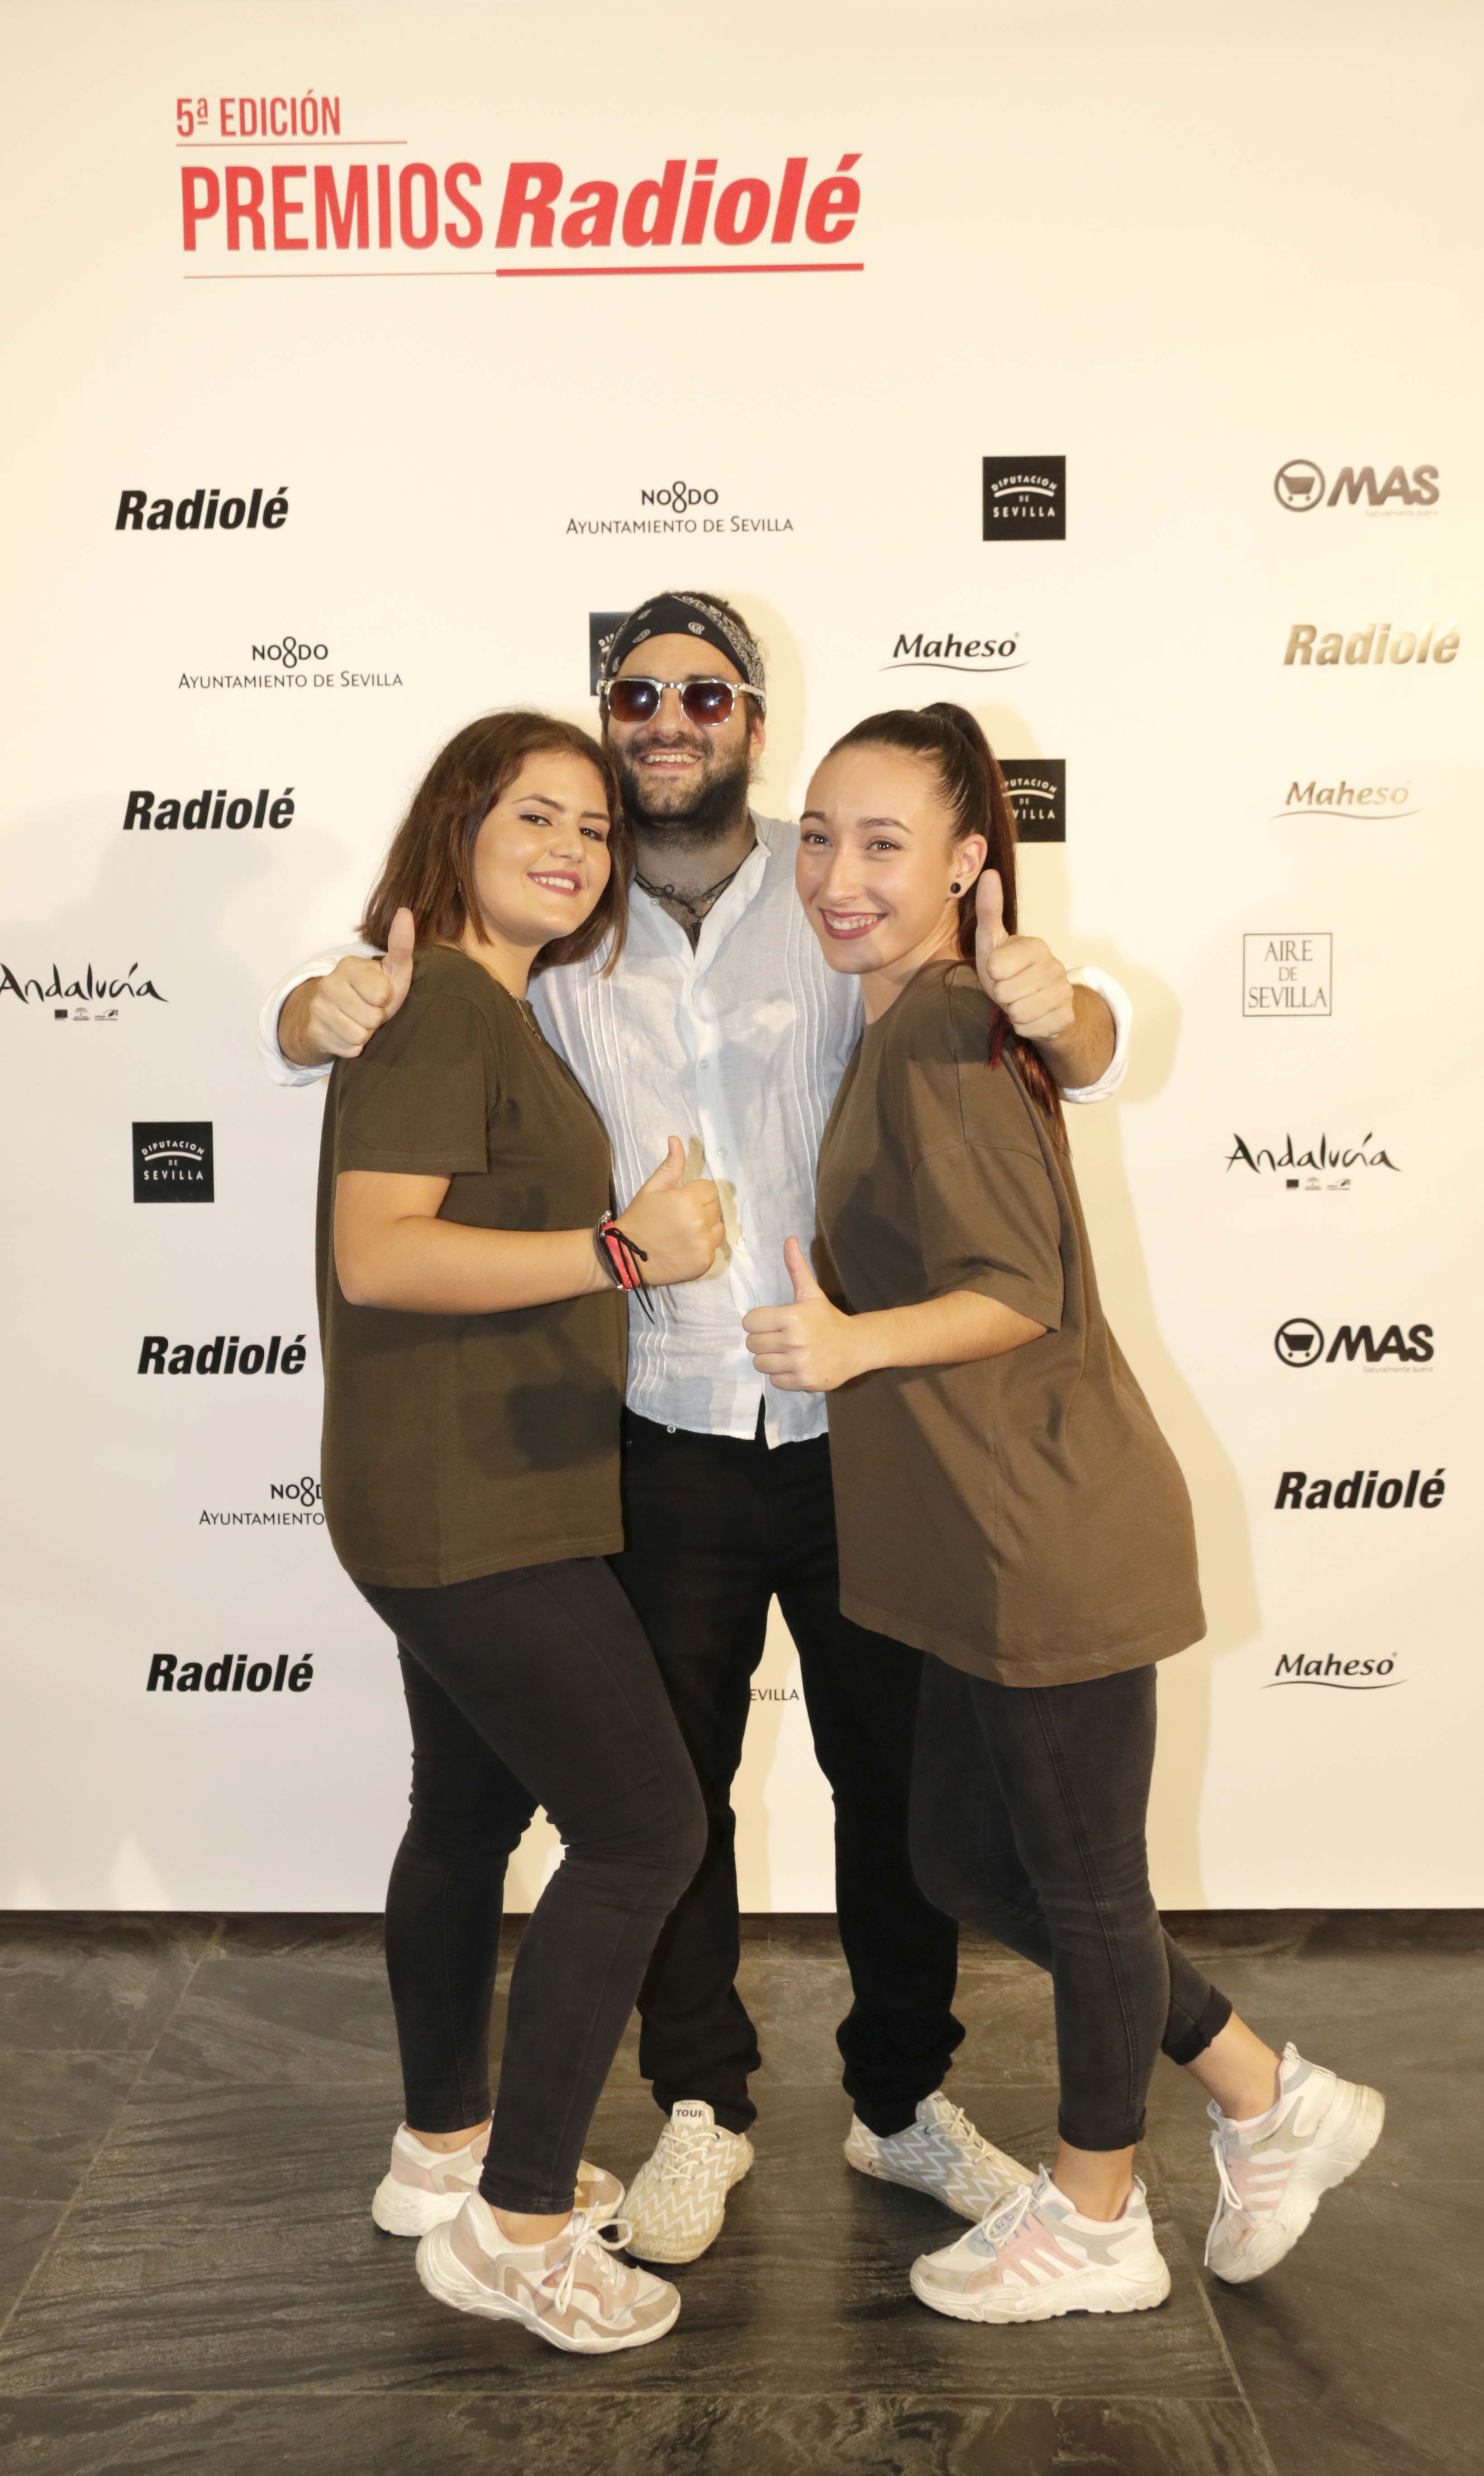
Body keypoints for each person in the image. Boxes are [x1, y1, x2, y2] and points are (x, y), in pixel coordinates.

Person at [262, 591, 1134, 2265]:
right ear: (610, 718)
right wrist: (308, 1010)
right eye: (639, 695)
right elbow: (370, 999)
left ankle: (900, 2101)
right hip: (653, 1427)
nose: (669, 721)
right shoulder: (555, 912)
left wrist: (1059, 1002)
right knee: (677, 1801)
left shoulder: (837, 879)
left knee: (894, 1789)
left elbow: (1078, 1044)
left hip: (864, 1423)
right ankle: (701, 2107)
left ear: (752, 718)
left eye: (706, 694)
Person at [744, 700, 1384, 2323]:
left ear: (969, 862)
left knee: (1090, 1893)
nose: (837, 876)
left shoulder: (945, 1028)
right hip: (973, 1538)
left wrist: (851, 1345)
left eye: (884, 844)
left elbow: (1016, 1288)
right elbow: (1084, 1047)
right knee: (966, 1856)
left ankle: (1099, 2218)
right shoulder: (907, 1021)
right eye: (819, 837)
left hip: (1047, 1531)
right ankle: (1268, 2097)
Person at [322, 707, 728, 2352]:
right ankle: (519, 2228)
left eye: (593, 826)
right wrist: (621, 1253)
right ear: (459, 828)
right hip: (470, 1503)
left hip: (467, 1487)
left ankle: (442, 2150)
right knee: (644, 1833)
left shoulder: (485, 1001)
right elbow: (379, 1254)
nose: (572, 849)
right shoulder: (441, 1007)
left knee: (470, 1809)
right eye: (534, 816)